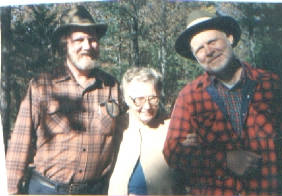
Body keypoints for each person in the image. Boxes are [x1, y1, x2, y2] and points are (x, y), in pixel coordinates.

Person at [163, 10, 282, 196]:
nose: (208, 51)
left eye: (212, 42)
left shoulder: (271, 84)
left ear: (230, 38)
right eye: (200, 49)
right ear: (195, 57)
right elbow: (173, 153)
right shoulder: (189, 97)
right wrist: (225, 159)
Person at [6, 5, 121, 195]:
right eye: (79, 40)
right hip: (47, 190)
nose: (87, 46)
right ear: (64, 43)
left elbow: (123, 139)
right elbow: (20, 144)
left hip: (96, 190)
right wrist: (11, 190)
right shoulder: (42, 85)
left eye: (92, 40)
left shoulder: (111, 86)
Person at [108, 67, 184, 195]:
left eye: (153, 98)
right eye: (139, 99)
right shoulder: (115, 126)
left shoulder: (172, 127)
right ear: (126, 98)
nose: (147, 106)